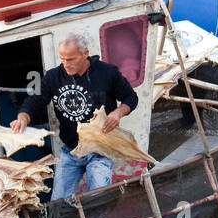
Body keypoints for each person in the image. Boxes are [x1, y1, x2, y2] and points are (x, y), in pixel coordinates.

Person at [10, 33, 138, 201]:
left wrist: (119, 112)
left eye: (70, 59)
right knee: (59, 201)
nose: (66, 64)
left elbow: (131, 98)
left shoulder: (107, 72)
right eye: (62, 59)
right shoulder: (54, 76)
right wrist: (23, 117)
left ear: (85, 54)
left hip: (101, 149)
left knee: (97, 200)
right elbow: (35, 100)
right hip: (71, 149)